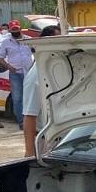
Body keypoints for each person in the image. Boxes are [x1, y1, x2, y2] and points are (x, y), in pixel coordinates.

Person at [23, 24, 60, 156]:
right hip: (45, 141)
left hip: (62, 140)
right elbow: (29, 116)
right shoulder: (36, 75)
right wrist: (29, 152)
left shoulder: (59, 70)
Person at [0, 20, 34, 129]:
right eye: (13, 30)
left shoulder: (29, 40)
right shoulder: (6, 42)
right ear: (10, 30)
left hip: (29, 72)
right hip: (15, 73)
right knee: (17, 98)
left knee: (30, 96)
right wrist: (8, 66)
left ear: (20, 28)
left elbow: (37, 53)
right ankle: (21, 121)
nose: (15, 31)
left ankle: (32, 119)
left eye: (16, 29)